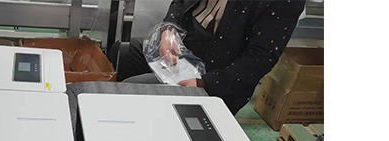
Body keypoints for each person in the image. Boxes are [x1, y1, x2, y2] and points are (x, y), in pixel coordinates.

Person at [119, 0, 306, 114]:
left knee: (128, 89)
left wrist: (205, 83)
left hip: (217, 75)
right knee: (125, 53)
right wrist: (169, 30)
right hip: (184, 46)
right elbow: (180, 2)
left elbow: (259, 60)